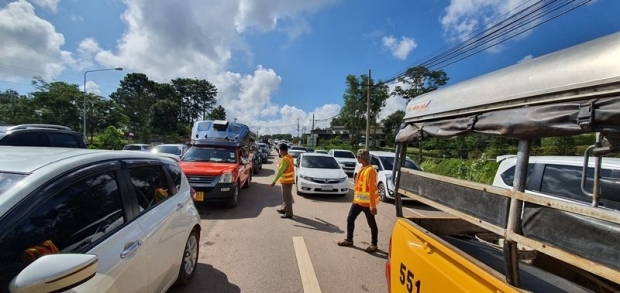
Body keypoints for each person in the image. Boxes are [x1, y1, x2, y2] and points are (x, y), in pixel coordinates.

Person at [338, 149, 379, 253]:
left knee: (372, 224)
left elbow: (372, 189)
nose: (357, 158)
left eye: (358, 157)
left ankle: (374, 244)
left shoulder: (370, 170)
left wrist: (373, 206)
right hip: (357, 202)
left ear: (362, 158)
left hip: (367, 204)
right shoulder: (362, 168)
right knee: (350, 219)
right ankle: (349, 240)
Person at [270, 143, 295, 218]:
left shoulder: (285, 160)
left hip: (286, 181)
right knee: (285, 196)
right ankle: (284, 209)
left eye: (280, 151)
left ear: (283, 151)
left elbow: (280, 171)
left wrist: (274, 181)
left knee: (287, 198)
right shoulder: (289, 157)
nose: (279, 152)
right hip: (289, 180)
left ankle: (289, 213)